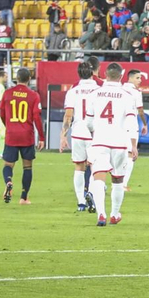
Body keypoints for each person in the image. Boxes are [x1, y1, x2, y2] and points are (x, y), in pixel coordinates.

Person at [88, 62, 142, 226]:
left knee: (98, 177)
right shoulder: (127, 95)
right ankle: (114, 214)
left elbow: (88, 122)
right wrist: (133, 145)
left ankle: (101, 214)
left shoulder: (94, 93)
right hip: (120, 142)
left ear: (105, 74)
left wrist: (93, 132)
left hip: (100, 141)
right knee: (118, 180)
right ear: (121, 76)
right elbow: (132, 122)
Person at [0, 67, 44, 205]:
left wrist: (9, 126)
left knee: (8, 164)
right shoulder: (34, 95)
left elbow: (1, 113)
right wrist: (41, 137)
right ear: (29, 79)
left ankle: (9, 181)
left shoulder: (7, 93)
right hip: (27, 135)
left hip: (12, 134)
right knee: (27, 166)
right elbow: (37, 117)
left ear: (16, 79)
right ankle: (23, 197)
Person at [60, 57, 100, 213]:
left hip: (77, 133)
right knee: (95, 167)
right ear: (92, 73)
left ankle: (81, 202)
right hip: (95, 134)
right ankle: (91, 193)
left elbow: (68, 115)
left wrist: (63, 135)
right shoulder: (99, 90)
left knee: (79, 167)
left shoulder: (72, 91)